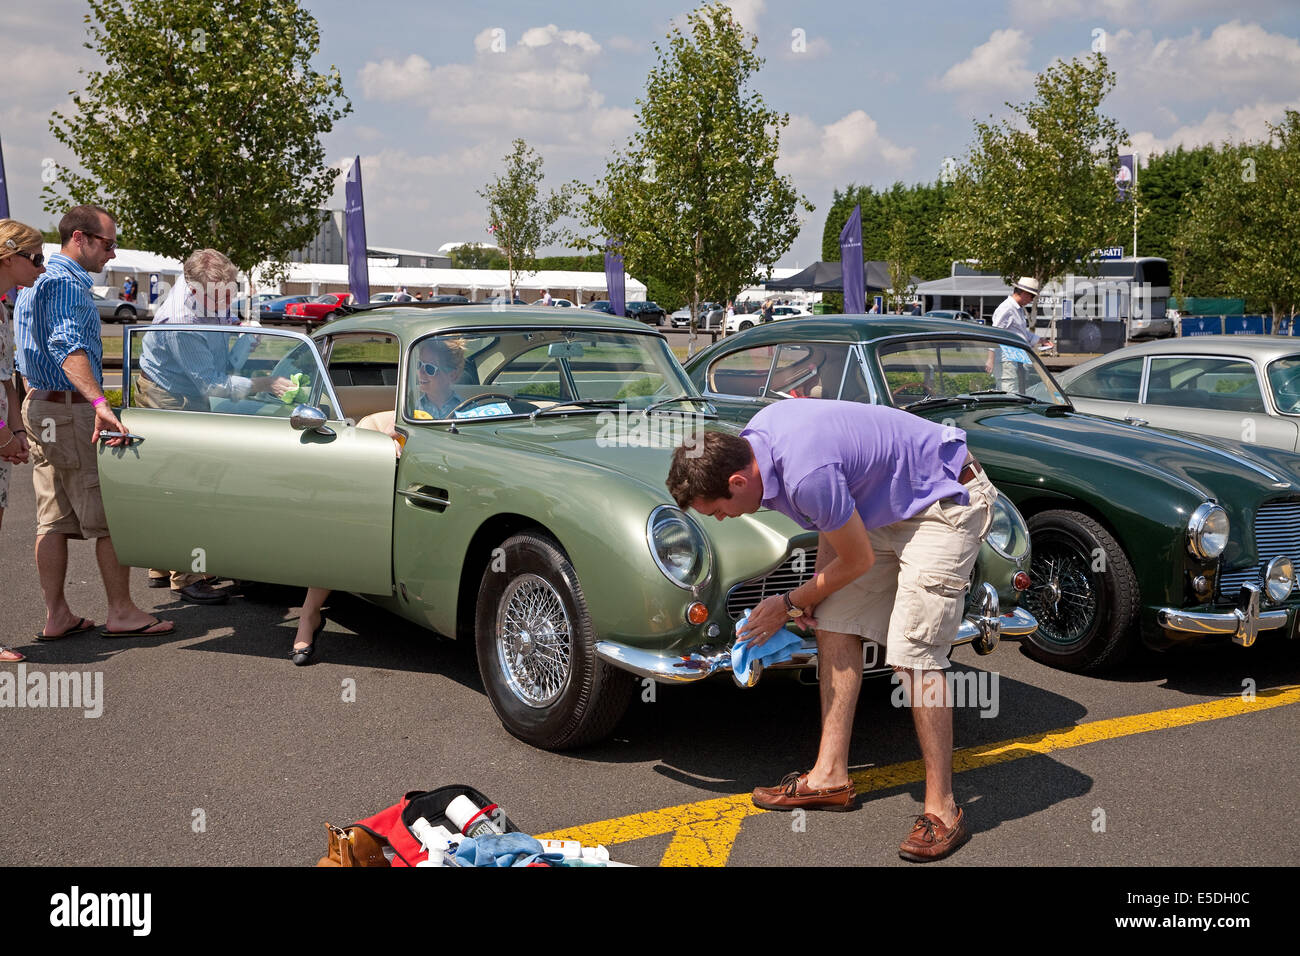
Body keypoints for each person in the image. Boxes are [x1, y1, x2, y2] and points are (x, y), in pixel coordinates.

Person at [666, 399, 995, 862]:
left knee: (914, 654)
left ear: (738, 480)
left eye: (719, 510)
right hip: (884, 507)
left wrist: (787, 603)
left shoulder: (803, 473)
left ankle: (942, 809)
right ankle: (829, 776)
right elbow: (831, 519)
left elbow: (851, 551)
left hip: (944, 500)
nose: (723, 518)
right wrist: (814, 598)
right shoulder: (757, 441)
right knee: (833, 622)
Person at [14, 205, 174, 640]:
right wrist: (99, 402)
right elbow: (68, 346)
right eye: (108, 243)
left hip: (42, 405)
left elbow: (25, 352)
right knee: (109, 516)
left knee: (51, 519)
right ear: (79, 238)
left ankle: (58, 614)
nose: (112, 253)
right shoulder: (65, 283)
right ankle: (121, 611)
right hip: (70, 408)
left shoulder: (33, 281)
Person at [135, 248, 291, 603]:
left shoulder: (209, 291)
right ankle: (186, 576)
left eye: (230, 292)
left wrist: (243, 336)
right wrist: (263, 384)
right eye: (219, 296)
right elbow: (213, 384)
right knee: (184, 481)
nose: (227, 300)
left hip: (184, 387)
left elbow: (220, 356)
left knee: (179, 477)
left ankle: (162, 563)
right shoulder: (182, 320)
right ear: (193, 290)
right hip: (170, 393)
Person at [0, 220, 43, 661]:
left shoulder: (5, 307)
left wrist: (15, 431)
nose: (40, 267)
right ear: (9, 258)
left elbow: (7, 382)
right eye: (34, 259)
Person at [992, 277, 1051, 350]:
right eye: (1032, 296)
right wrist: (991, 359)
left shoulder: (1017, 308)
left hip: (1015, 354)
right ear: (1025, 293)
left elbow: (1021, 332)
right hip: (1008, 355)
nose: (1031, 300)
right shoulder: (1007, 308)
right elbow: (996, 334)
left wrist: (1041, 340)